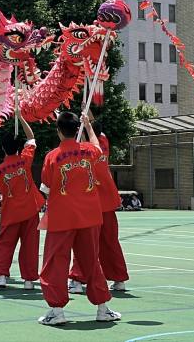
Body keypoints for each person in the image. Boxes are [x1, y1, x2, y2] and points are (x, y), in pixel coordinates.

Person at [37, 112, 120, 325]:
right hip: (89, 216)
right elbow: (99, 150)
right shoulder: (90, 152)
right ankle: (102, 308)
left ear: (58, 130)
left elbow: (46, 187)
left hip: (62, 217)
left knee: (56, 262)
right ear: (77, 130)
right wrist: (89, 127)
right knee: (92, 261)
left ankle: (56, 311)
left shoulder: (52, 156)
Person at [69, 117, 129, 293]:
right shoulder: (103, 143)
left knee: (83, 242)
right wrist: (87, 121)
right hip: (108, 202)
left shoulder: (84, 151)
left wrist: (84, 126)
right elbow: (95, 130)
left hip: (91, 203)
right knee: (110, 242)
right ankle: (119, 278)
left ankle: (78, 280)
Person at [0, 115, 43, 290]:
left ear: (3, 148)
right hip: (30, 209)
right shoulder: (25, 160)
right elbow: (31, 137)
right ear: (19, 147)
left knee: (4, 244)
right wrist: (21, 119)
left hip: (11, 212)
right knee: (30, 245)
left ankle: (1, 276)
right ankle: (28, 280)